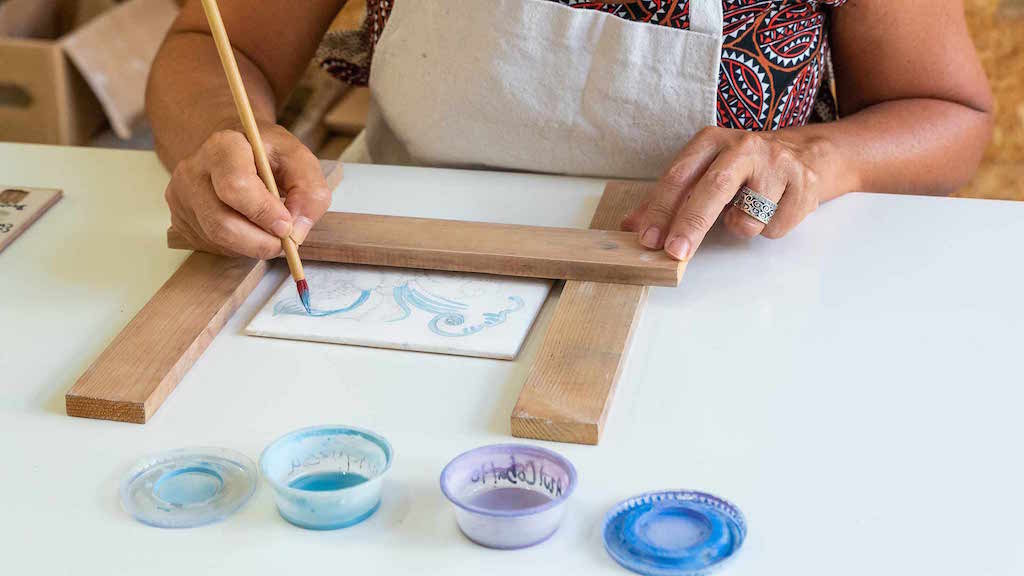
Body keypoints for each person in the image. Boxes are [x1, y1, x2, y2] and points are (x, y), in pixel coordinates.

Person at [147, 1, 992, 263]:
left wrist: (818, 154)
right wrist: (227, 136)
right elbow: (215, 48)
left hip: (731, 286)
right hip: (393, 265)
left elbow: (950, 115)